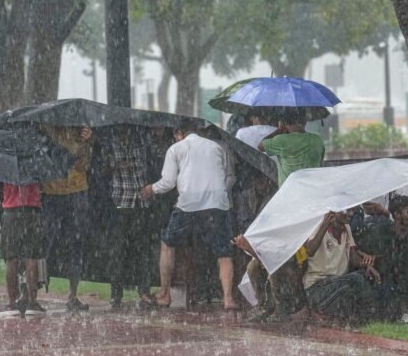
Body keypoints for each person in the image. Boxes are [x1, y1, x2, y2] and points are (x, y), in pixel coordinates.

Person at [141, 120, 237, 310]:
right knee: (224, 252)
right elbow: (224, 174)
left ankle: (164, 294)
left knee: (167, 244)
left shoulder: (176, 149)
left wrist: (151, 189)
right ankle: (228, 298)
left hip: (188, 204)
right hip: (217, 203)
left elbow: (168, 182)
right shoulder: (216, 147)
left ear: (179, 134)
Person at [355, 195, 408, 323]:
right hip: (388, 281)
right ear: (397, 214)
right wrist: (368, 263)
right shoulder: (382, 232)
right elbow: (359, 250)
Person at [40, 124, 94, 312]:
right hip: (52, 192)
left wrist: (86, 143)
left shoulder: (80, 132)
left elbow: (84, 165)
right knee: (44, 243)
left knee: (76, 244)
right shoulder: (46, 129)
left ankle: (73, 295)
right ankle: (31, 293)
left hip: (77, 191)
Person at [102, 125, 157, 309]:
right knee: (117, 251)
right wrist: (115, 164)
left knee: (142, 250)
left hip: (140, 202)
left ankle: (144, 291)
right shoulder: (109, 143)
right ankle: (116, 293)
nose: (125, 132)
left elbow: (150, 165)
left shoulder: (141, 142)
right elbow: (102, 167)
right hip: (120, 202)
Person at [301, 210, 377, 322]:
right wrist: (324, 225)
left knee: (364, 276)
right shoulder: (319, 226)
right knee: (356, 279)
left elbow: (353, 259)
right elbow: (310, 251)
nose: (350, 214)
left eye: (351, 210)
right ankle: (371, 317)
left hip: (338, 284)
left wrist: (366, 265)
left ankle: (364, 318)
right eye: (345, 210)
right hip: (317, 287)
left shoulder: (346, 227)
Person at [0, 182, 46, 318]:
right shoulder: (34, 167)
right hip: (32, 211)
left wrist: (1, 192)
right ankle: (32, 303)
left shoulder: (4, 168)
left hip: (11, 212)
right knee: (31, 258)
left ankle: (12, 304)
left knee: (11, 259)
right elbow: (42, 186)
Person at [258, 107, 324, 187]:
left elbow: (260, 146)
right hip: (312, 189)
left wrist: (279, 129)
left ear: (285, 122)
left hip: (289, 191)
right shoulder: (317, 140)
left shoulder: (282, 141)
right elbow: (320, 164)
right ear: (305, 121)